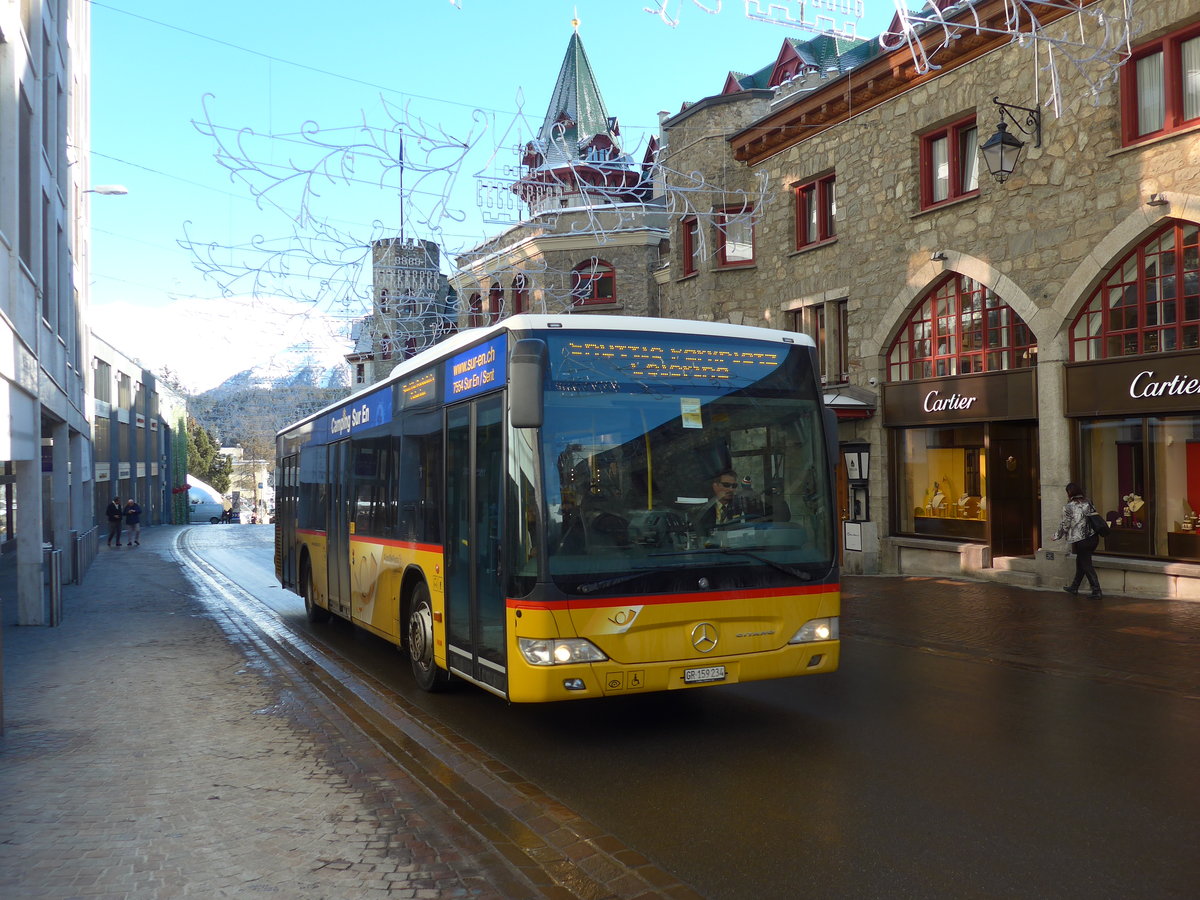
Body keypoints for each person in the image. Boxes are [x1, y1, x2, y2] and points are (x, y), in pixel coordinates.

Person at [1053, 482, 1102, 599]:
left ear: (1069, 493)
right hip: (1093, 537)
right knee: (1081, 562)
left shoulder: (1068, 507)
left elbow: (1065, 524)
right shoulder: (1088, 502)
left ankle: (1097, 590)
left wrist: (1056, 536)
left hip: (1081, 539)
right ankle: (1074, 587)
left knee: (1086, 564)